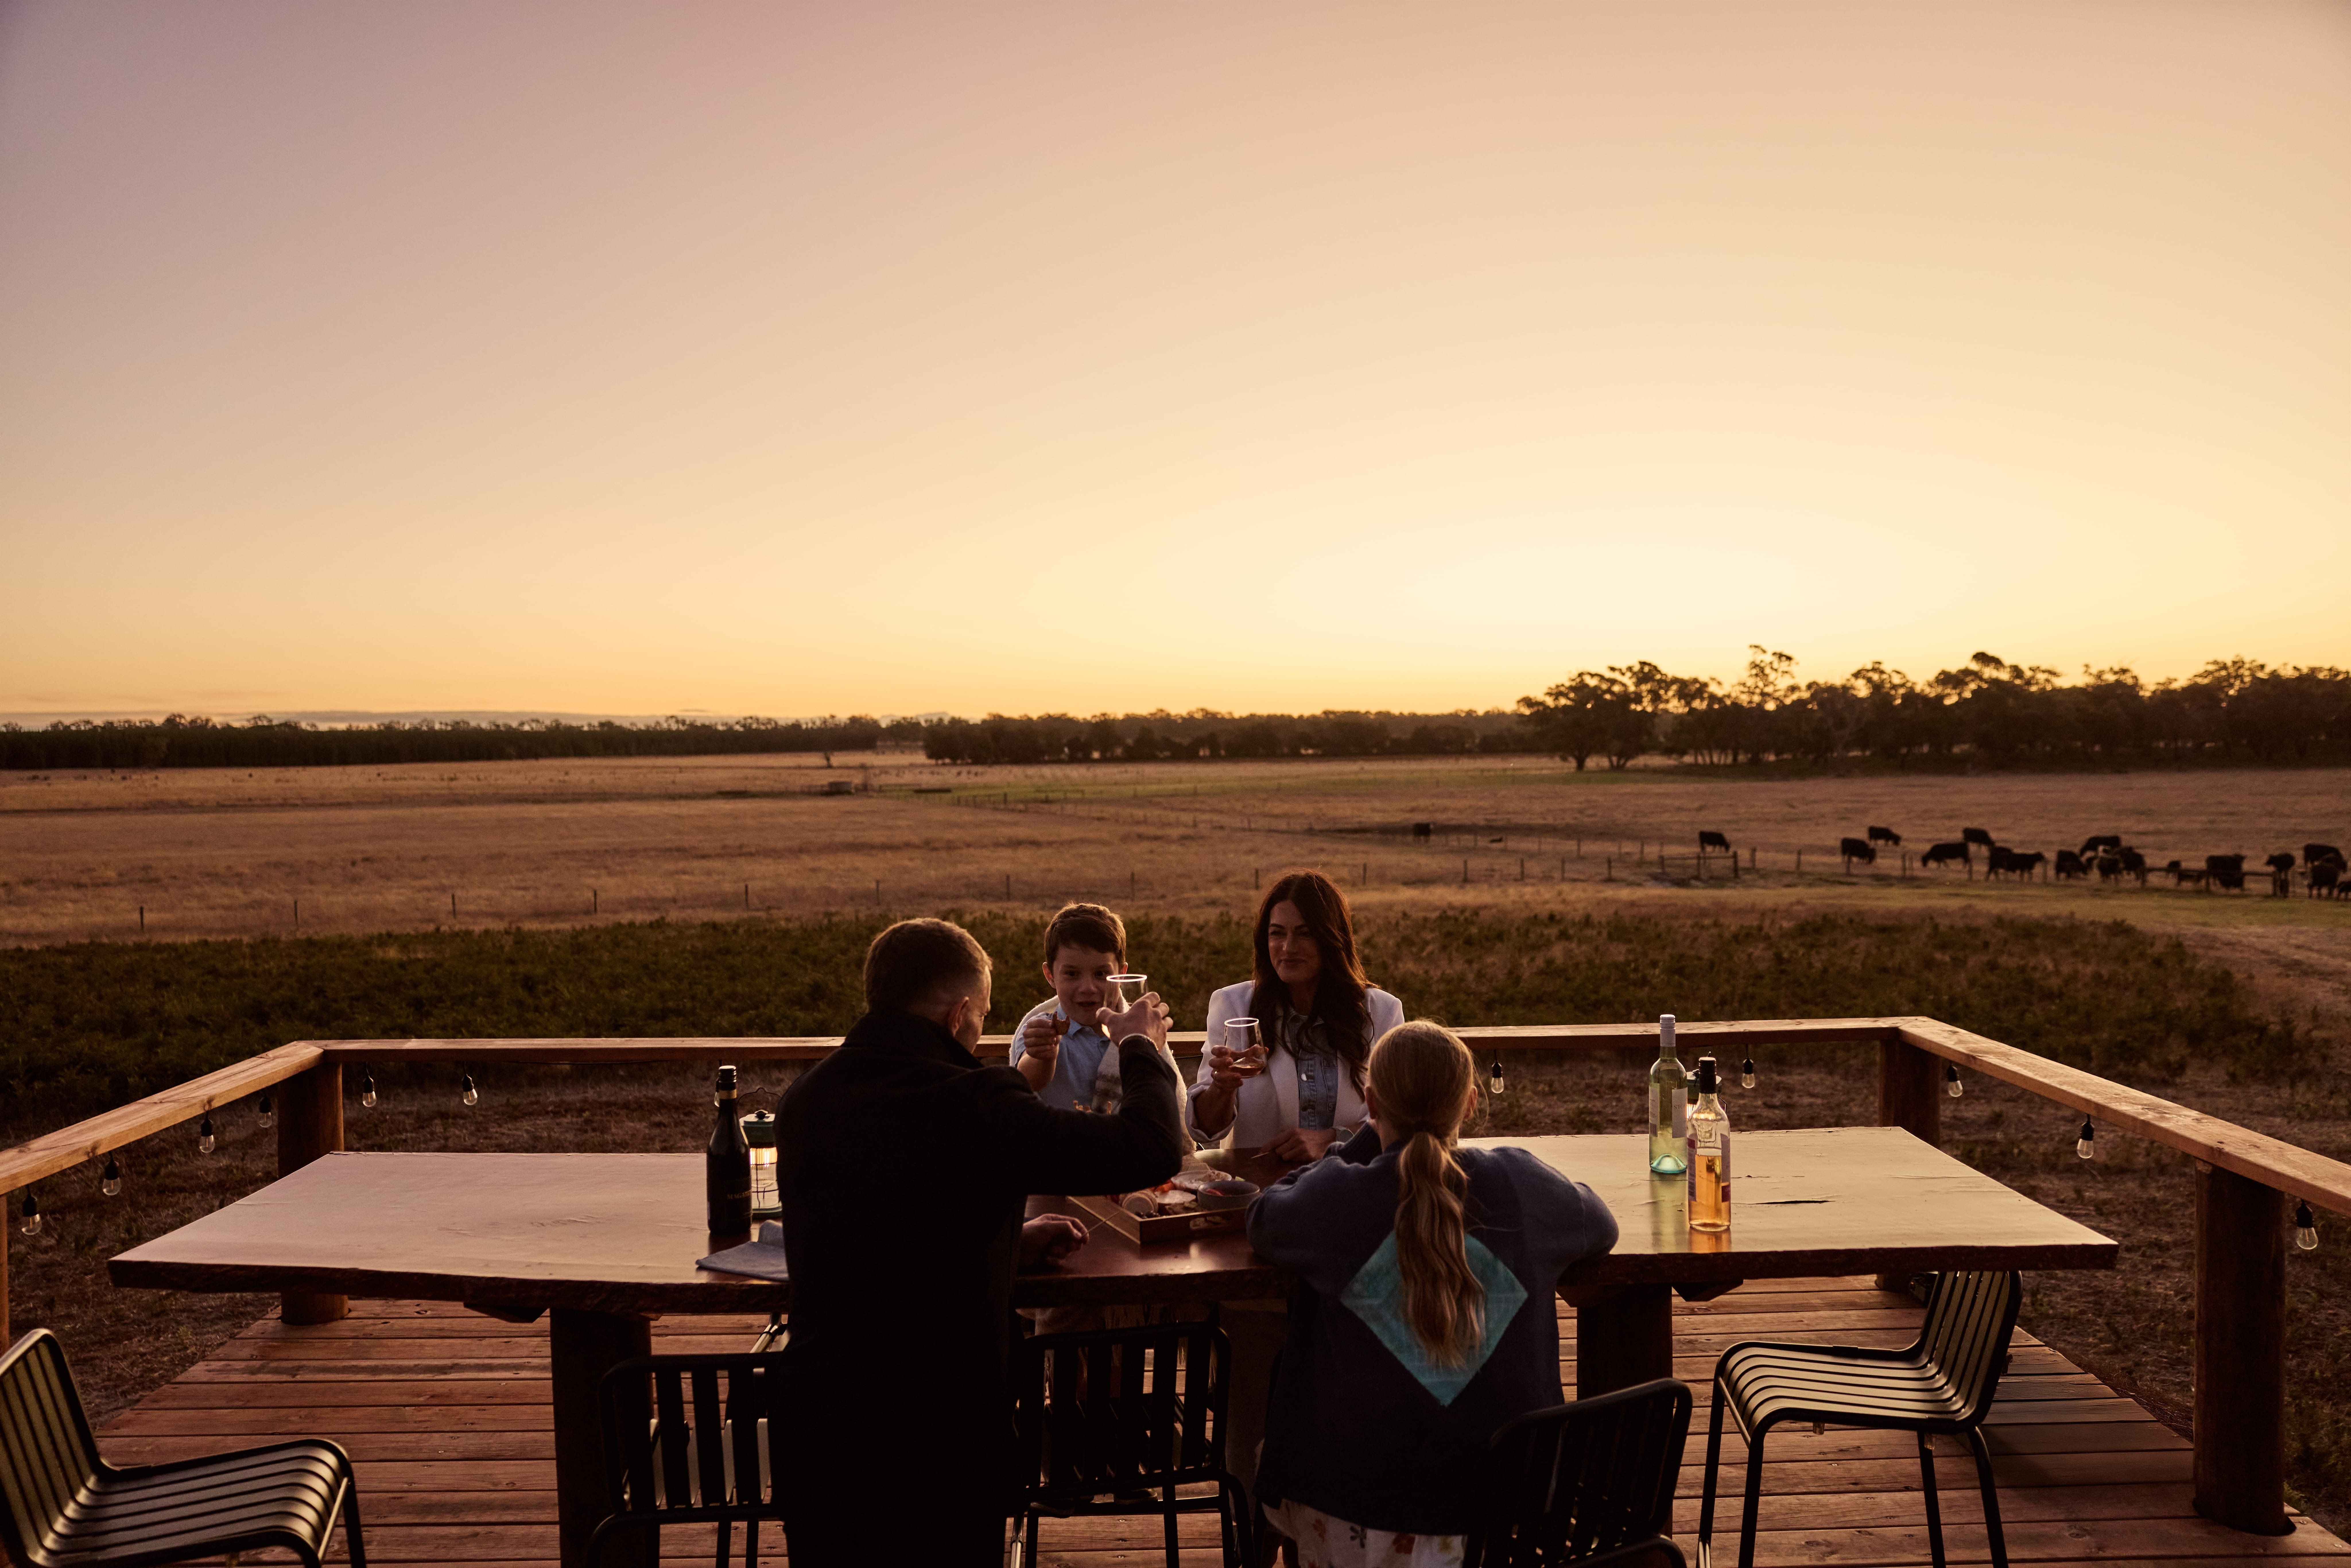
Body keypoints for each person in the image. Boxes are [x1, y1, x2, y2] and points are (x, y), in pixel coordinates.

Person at [774, 917, 1187, 1567]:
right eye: (983, 1016)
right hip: (940, 1449)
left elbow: (883, 1222)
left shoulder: (806, 1099)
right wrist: (1140, 1047)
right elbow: (1149, 1148)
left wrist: (1003, 1238)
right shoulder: (974, 1102)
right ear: (959, 1011)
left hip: (821, 1443)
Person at [1247, 1021, 1619, 1566]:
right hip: (1505, 1508)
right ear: (1469, 1104)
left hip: (1356, 1507)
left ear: (1371, 1102)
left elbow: (1264, 1216)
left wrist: (1353, 1145)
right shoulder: (1521, 1184)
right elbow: (1600, 1224)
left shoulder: (1337, 1197)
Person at [1190, 870, 1405, 1160]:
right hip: (1261, 1189)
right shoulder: (1234, 1007)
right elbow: (1204, 1130)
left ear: (1332, 939)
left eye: (1304, 934)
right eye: (1277, 933)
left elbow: (1397, 1118)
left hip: (1351, 1186)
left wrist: (1333, 1141)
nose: (1288, 948)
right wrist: (1221, 1087)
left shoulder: (1381, 1012)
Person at [1008, 902, 1175, 1112]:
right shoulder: (1042, 1030)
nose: (1088, 988)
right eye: (1072, 974)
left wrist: (1143, 1045)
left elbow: (1162, 1100)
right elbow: (1026, 1082)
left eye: (1101, 974)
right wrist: (1043, 1055)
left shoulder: (1139, 1032)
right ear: (1050, 975)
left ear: (1121, 975)